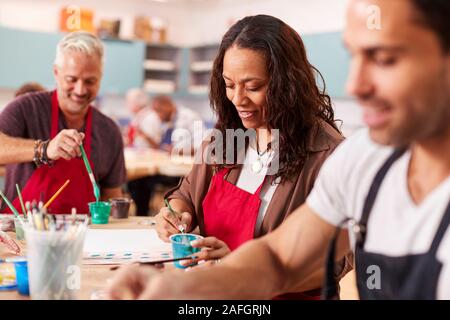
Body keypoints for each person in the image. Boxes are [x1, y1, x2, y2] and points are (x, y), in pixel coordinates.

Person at [108, 0, 450, 300]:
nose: (355, 85)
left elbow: (327, 267)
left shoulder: (331, 153)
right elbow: (278, 259)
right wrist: (182, 289)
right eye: (354, 56)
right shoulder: (363, 160)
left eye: (385, 59)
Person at [149, 14, 352, 300]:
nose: (238, 99)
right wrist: (172, 213)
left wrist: (243, 269)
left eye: (253, 87)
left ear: (288, 84)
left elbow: (334, 263)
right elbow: (186, 193)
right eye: (229, 85)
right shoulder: (229, 138)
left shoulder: (328, 155)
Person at [0, 31, 126, 214]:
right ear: (56, 73)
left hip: (84, 238)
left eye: (90, 81)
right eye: (72, 79)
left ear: (101, 77)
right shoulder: (26, 108)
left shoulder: (109, 131)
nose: (80, 90)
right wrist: (44, 149)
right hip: (21, 235)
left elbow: (111, 195)